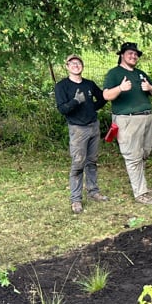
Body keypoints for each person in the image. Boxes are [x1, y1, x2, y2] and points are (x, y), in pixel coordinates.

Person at [102, 42, 152, 204]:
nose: (133, 56)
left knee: (144, 152)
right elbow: (106, 95)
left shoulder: (140, 73)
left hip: (146, 118)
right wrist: (120, 88)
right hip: (127, 119)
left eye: (135, 54)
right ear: (122, 55)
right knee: (133, 156)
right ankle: (140, 193)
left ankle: (143, 187)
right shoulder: (114, 73)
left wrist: (150, 88)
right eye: (130, 54)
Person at [54, 54, 107, 214]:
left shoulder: (89, 84)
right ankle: (76, 199)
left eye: (78, 63)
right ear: (67, 66)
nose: (76, 65)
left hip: (93, 126)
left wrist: (92, 107)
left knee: (92, 161)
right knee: (78, 163)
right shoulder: (62, 86)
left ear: (82, 66)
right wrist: (76, 101)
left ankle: (93, 191)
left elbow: (103, 98)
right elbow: (62, 109)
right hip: (77, 129)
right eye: (72, 63)